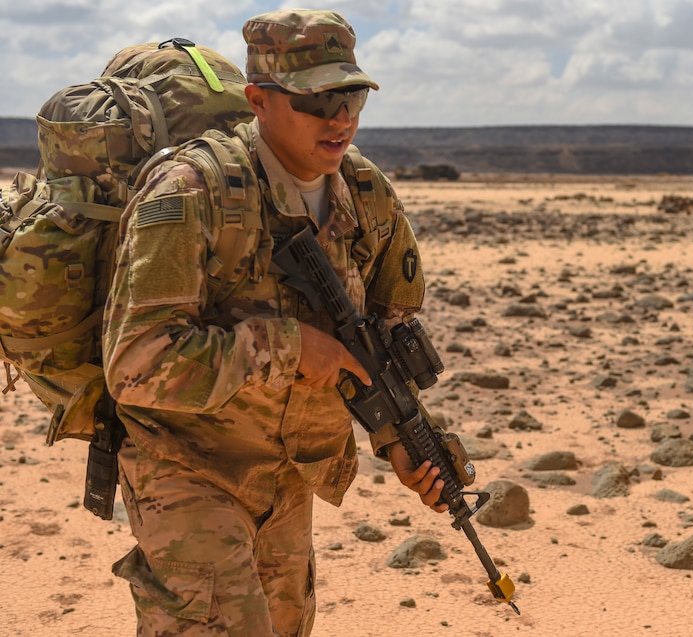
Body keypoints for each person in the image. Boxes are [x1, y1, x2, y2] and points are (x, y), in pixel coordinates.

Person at [102, 9, 445, 636]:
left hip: (287, 471)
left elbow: (377, 345)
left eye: (351, 97)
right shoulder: (189, 193)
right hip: (184, 464)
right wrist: (283, 346)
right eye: (317, 100)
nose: (341, 119)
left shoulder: (367, 195)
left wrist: (400, 438)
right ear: (258, 101)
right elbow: (136, 364)